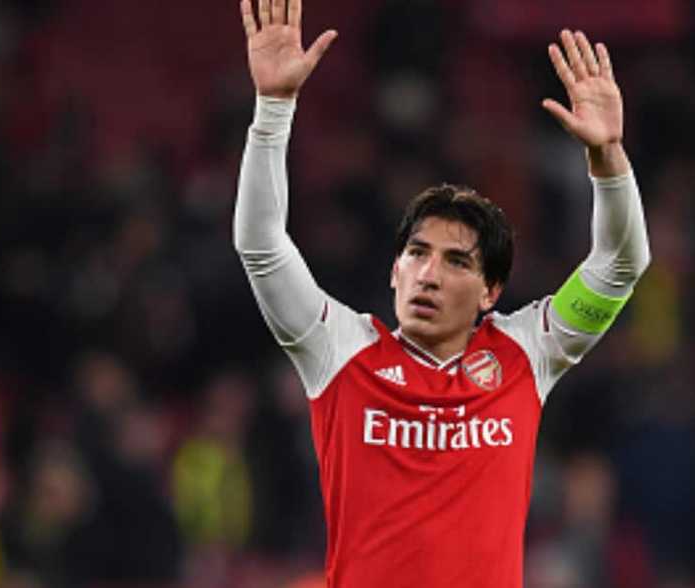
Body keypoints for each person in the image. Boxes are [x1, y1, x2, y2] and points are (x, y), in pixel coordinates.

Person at [232, 0, 650, 585]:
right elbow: (261, 244)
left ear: (489, 291)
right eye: (417, 254)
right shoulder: (338, 352)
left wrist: (608, 160)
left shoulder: (526, 352)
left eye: (457, 262)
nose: (429, 273)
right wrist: (273, 108)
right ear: (394, 272)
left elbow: (622, 264)